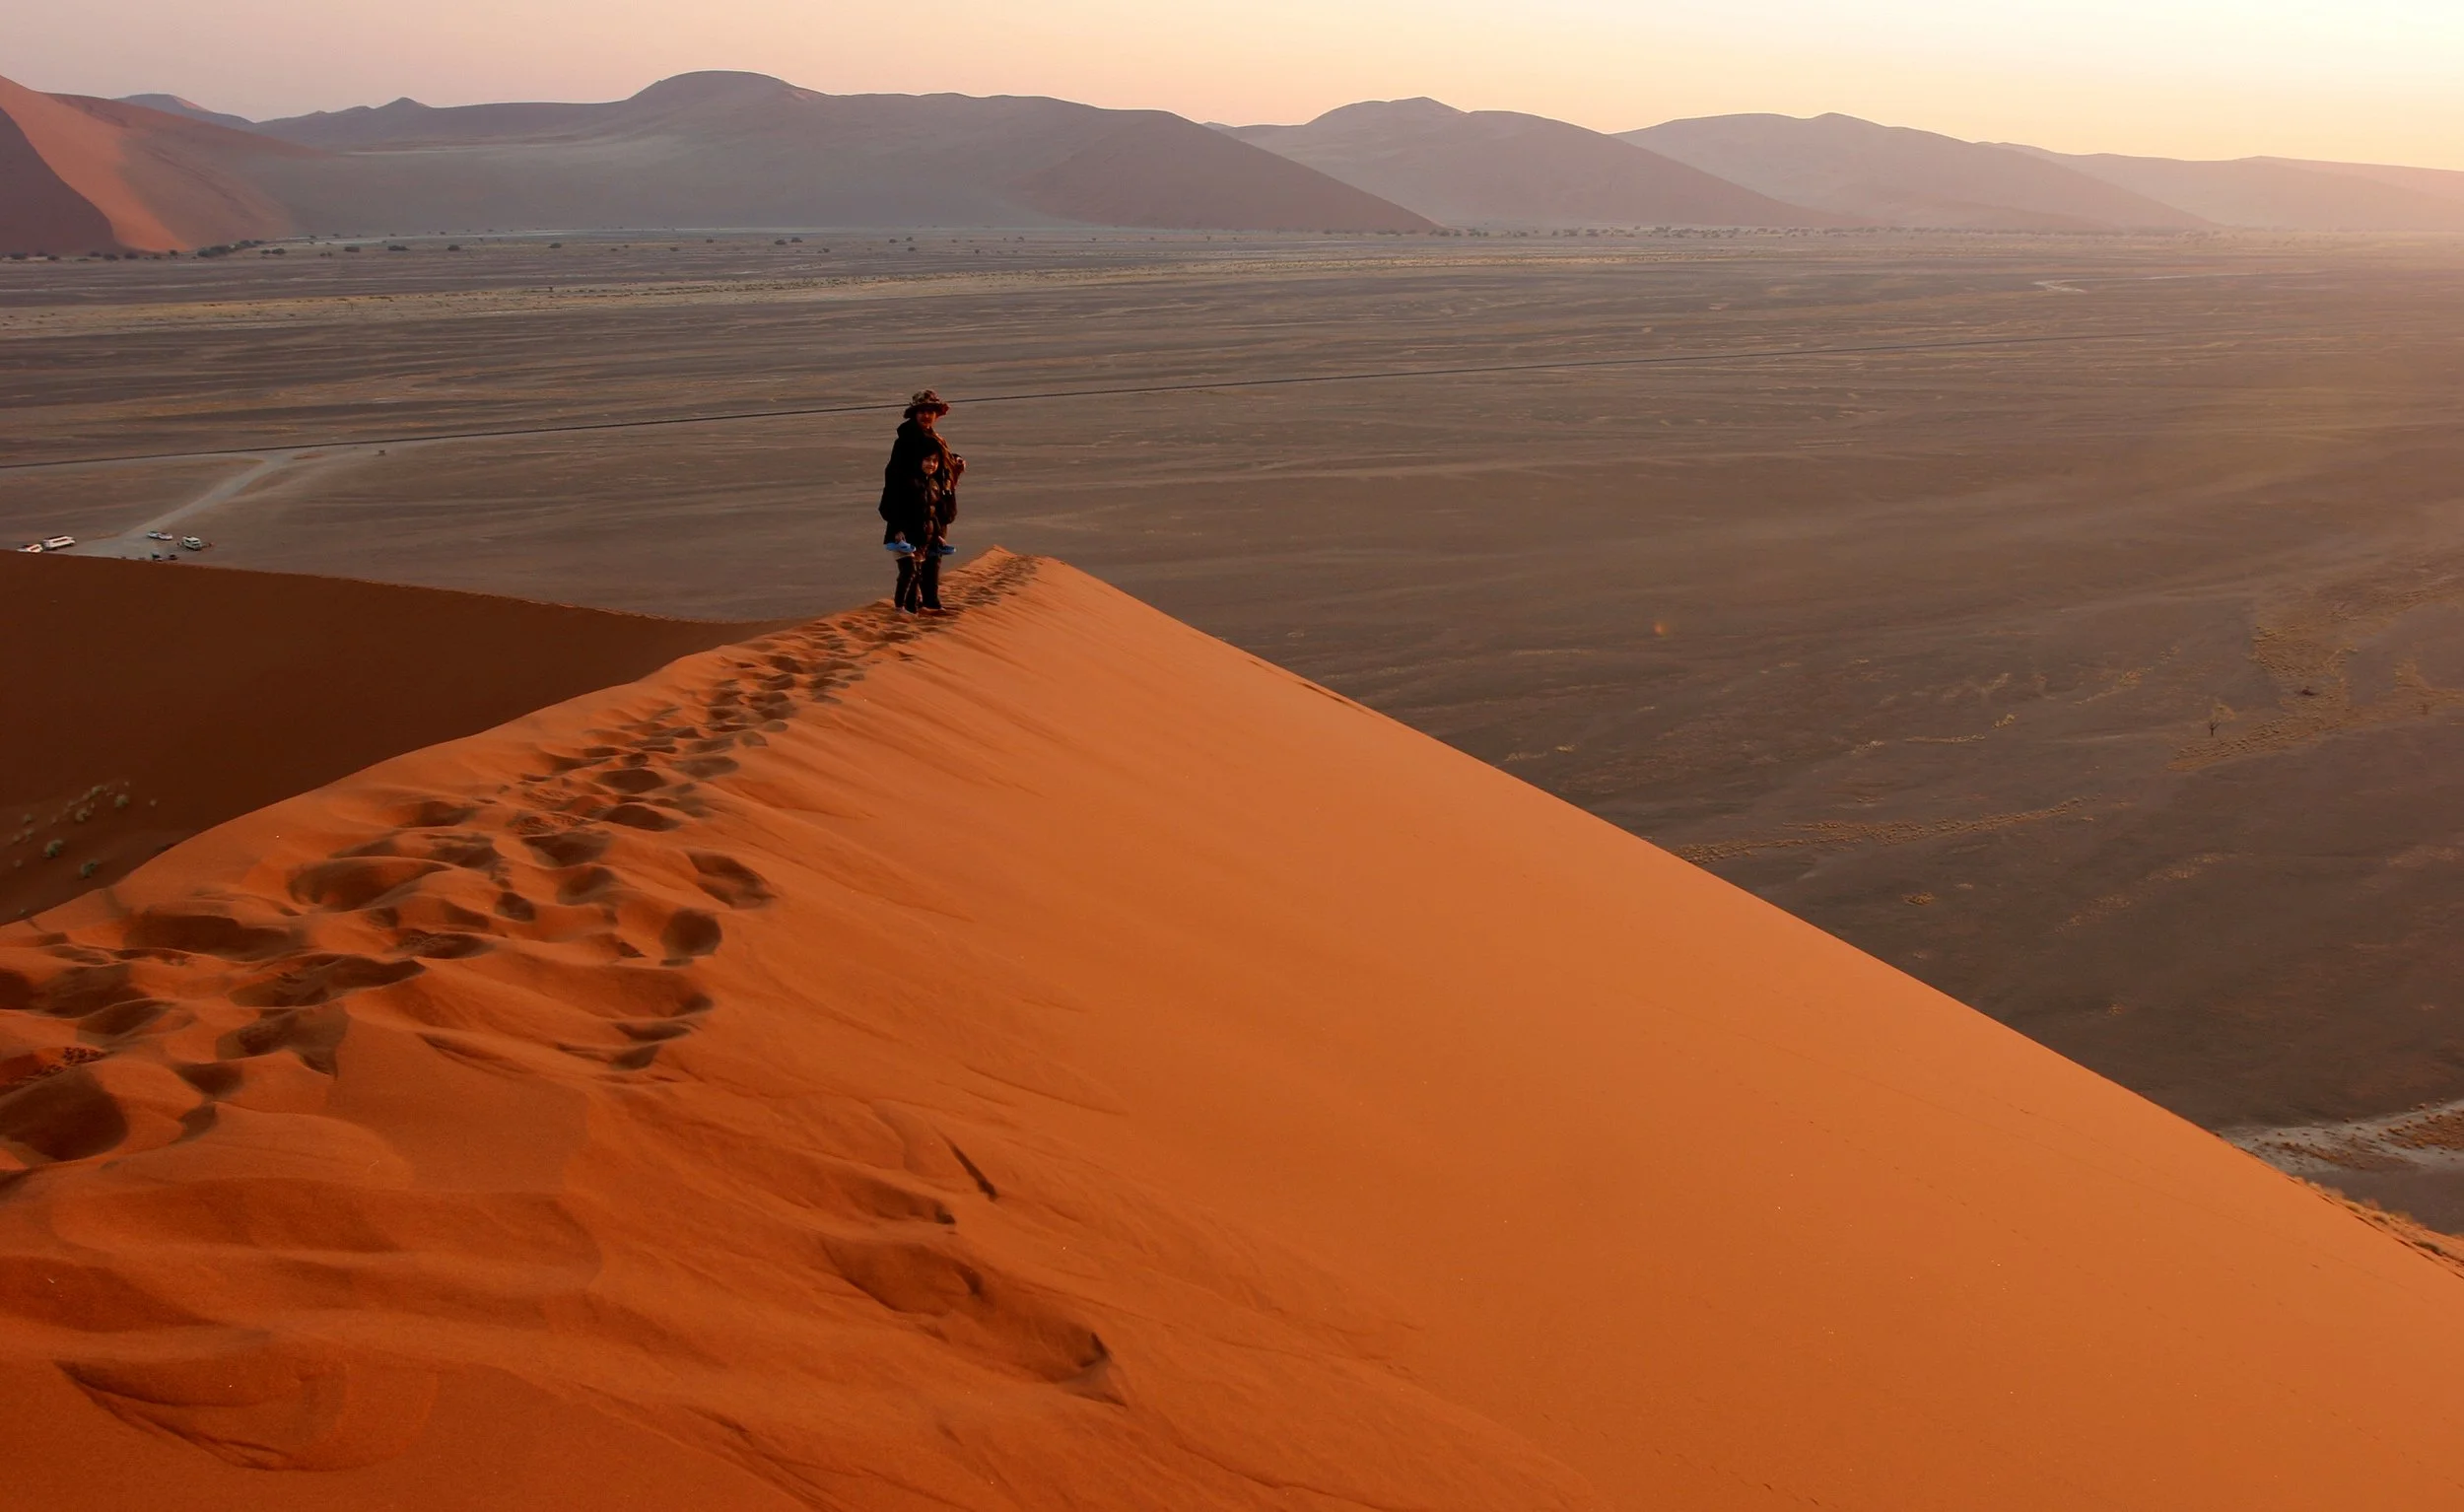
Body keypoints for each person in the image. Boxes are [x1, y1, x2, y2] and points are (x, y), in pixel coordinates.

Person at [878, 389, 964, 613]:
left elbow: (939, 469)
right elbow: (894, 480)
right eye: (922, 411)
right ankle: (912, 606)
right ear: (914, 414)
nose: (927, 416)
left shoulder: (933, 438)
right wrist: (896, 523)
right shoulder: (907, 441)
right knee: (915, 563)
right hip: (912, 509)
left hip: (934, 505)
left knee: (932, 557)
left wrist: (954, 463)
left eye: (931, 411)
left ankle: (929, 602)